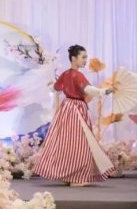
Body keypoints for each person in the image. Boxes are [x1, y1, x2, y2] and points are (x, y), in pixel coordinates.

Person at [34, 45, 115, 186]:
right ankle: (76, 176)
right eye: (83, 57)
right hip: (76, 109)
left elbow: (55, 87)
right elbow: (88, 89)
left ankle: (67, 174)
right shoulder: (77, 75)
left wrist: (50, 85)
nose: (85, 60)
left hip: (66, 108)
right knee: (80, 143)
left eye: (85, 57)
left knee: (66, 142)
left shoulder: (65, 74)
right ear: (73, 58)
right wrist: (103, 91)